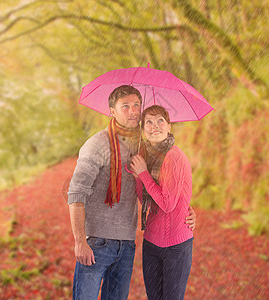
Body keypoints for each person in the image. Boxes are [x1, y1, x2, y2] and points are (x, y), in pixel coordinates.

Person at [68, 86, 196, 300]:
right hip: (97, 244)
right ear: (113, 111)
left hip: (127, 245)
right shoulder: (97, 144)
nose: (132, 110)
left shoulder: (144, 145)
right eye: (125, 106)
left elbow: (165, 188)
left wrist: (186, 209)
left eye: (136, 105)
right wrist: (80, 240)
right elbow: (76, 193)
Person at [130, 105, 194, 300]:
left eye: (160, 121)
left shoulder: (174, 156)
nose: (154, 126)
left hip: (176, 246)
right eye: (148, 122)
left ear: (169, 127)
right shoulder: (148, 157)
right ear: (143, 130)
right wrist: (140, 177)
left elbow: (167, 204)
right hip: (151, 243)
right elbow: (147, 202)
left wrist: (143, 174)